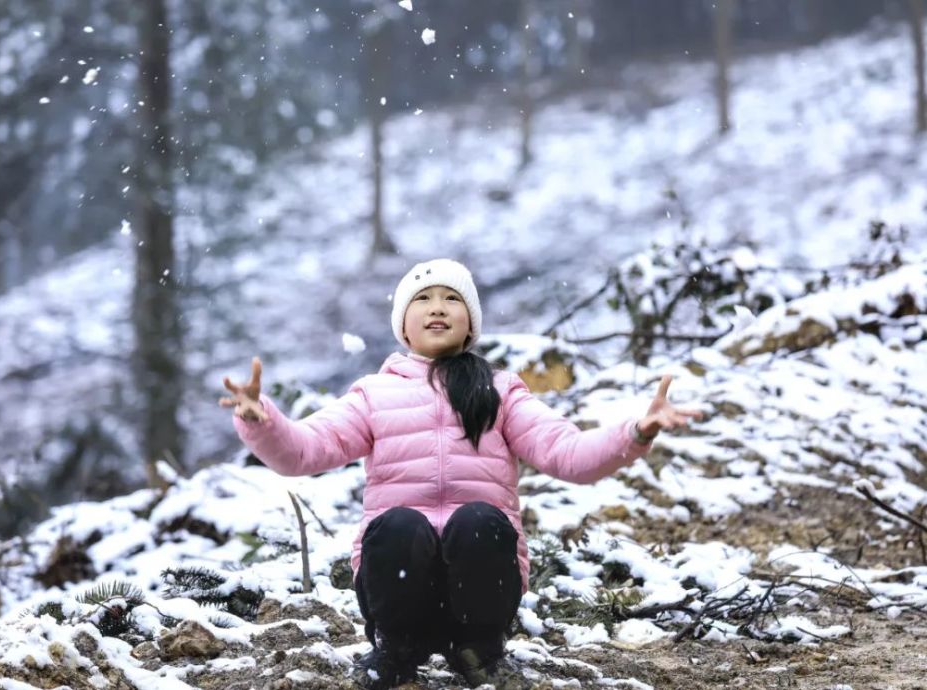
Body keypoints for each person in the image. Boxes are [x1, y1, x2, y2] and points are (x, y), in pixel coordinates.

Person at [219, 258, 702, 689]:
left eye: (452, 298)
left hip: (481, 589)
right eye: (423, 299)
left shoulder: (499, 392)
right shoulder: (374, 394)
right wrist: (260, 420)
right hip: (399, 586)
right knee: (397, 523)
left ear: (470, 323)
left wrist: (635, 432)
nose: (438, 307)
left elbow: (569, 454)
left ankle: (480, 652)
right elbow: (303, 452)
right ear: (403, 328)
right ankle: (397, 651)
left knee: (479, 520)